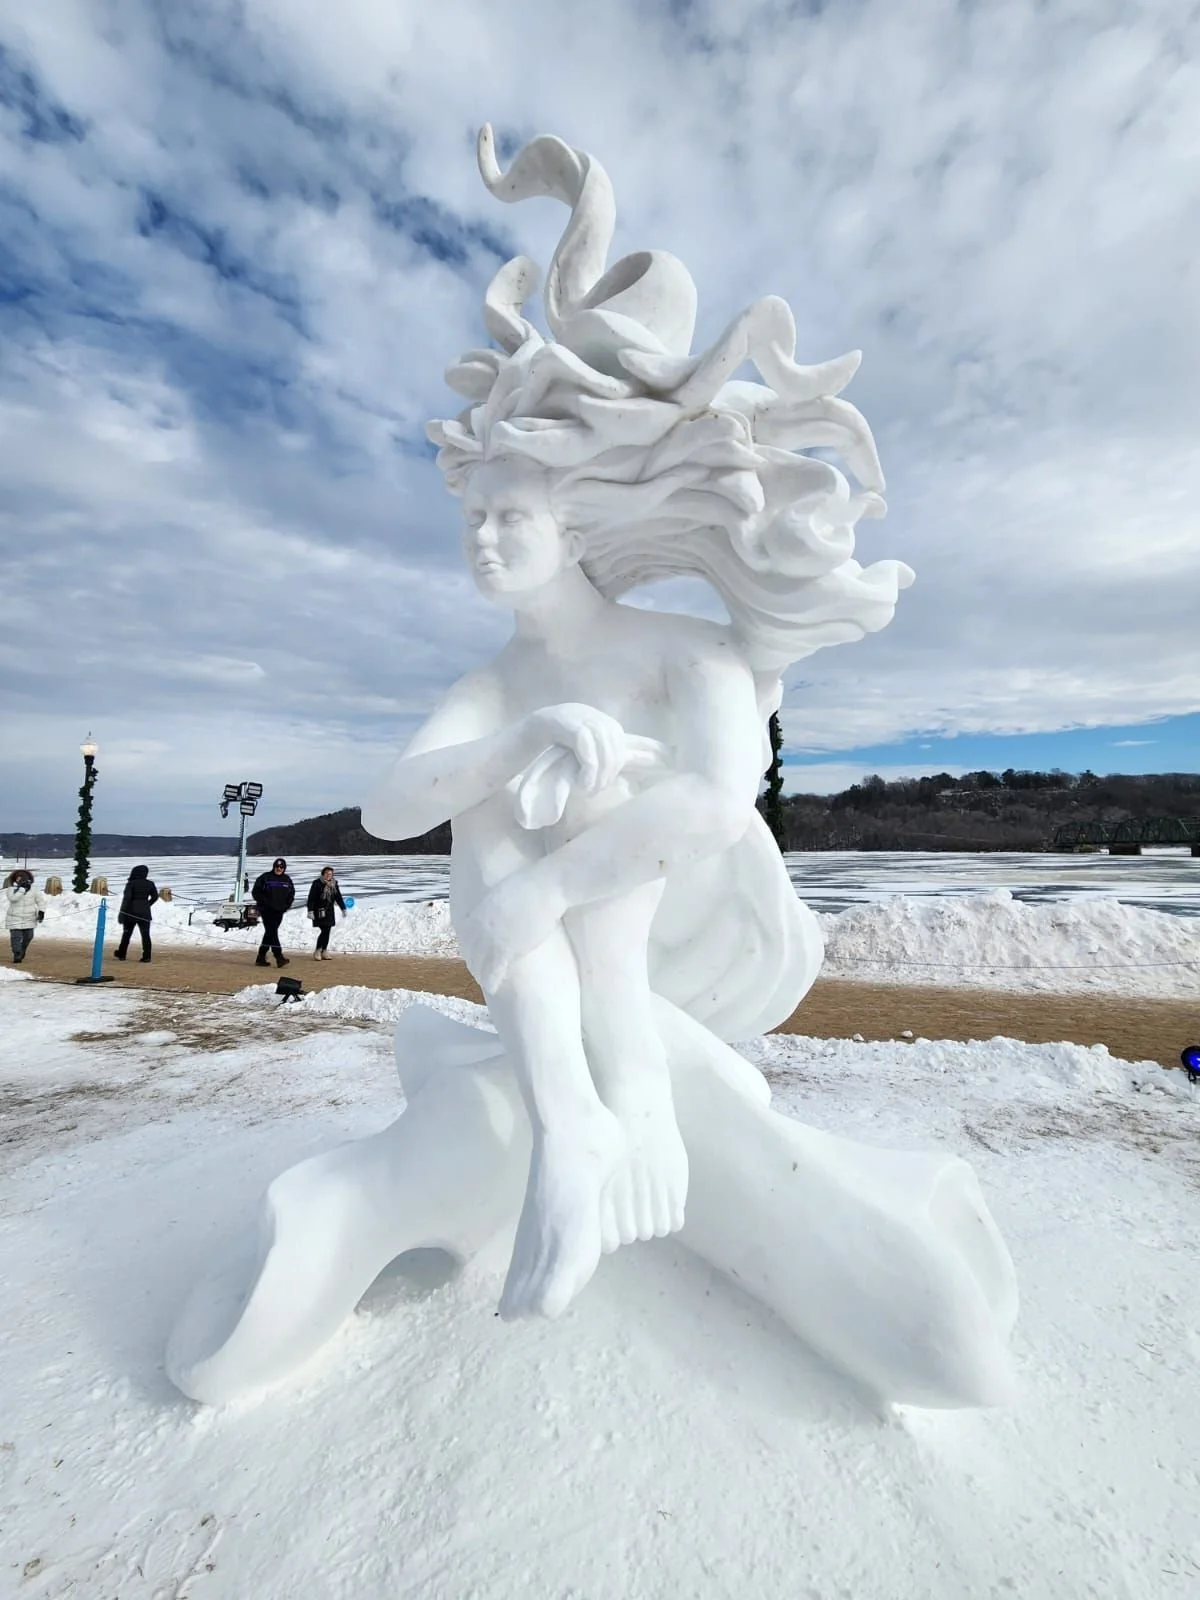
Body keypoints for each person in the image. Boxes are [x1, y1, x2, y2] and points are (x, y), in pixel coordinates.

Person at [361, 128, 910, 1322]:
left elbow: (718, 800)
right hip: (551, 946)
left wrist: (546, 891)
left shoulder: (686, 652)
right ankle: (576, 1126)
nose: (485, 538)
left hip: (666, 931)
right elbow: (388, 807)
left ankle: (630, 1109)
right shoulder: (493, 686)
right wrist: (517, 744)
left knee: (577, 794)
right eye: (475, 520)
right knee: (503, 785)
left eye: (510, 515)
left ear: (571, 517)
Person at [252, 858, 294, 967]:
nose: (279, 869)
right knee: (272, 933)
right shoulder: (265, 877)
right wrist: (265, 903)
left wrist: (286, 905)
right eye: (277, 867)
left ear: (284, 868)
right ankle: (279, 957)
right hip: (267, 911)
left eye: (281, 867)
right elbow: (256, 892)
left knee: (270, 933)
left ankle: (260, 957)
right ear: (274, 867)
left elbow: (291, 894)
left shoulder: (287, 879)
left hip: (279, 911)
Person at [114, 864, 159, 962]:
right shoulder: (150, 884)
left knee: (127, 934)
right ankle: (147, 956)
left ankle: (122, 954)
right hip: (145, 912)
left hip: (131, 912)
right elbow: (155, 897)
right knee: (146, 935)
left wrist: (121, 913)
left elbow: (126, 899)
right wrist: (147, 904)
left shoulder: (131, 884)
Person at [4, 869, 46, 963]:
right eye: (19, 878)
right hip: (14, 917)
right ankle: (17, 953)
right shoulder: (11, 889)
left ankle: (22, 949)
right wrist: (22, 889)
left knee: (28, 936)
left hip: (29, 918)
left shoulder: (34, 890)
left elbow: (41, 901)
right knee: (16, 937)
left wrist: (41, 912)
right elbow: (13, 899)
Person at [306, 866, 346, 960]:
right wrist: (310, 911)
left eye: (331, 874)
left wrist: (343, 908)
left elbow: (338, 897)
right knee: (325, 930)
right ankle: (318, 950)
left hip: (329, 911)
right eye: (327, 874)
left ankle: (324, 951)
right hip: (319, 910)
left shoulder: (334, 884)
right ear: (323, 874)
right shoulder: (317, 883)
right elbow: (311, 898)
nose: (329, 876)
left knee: (327, 930)